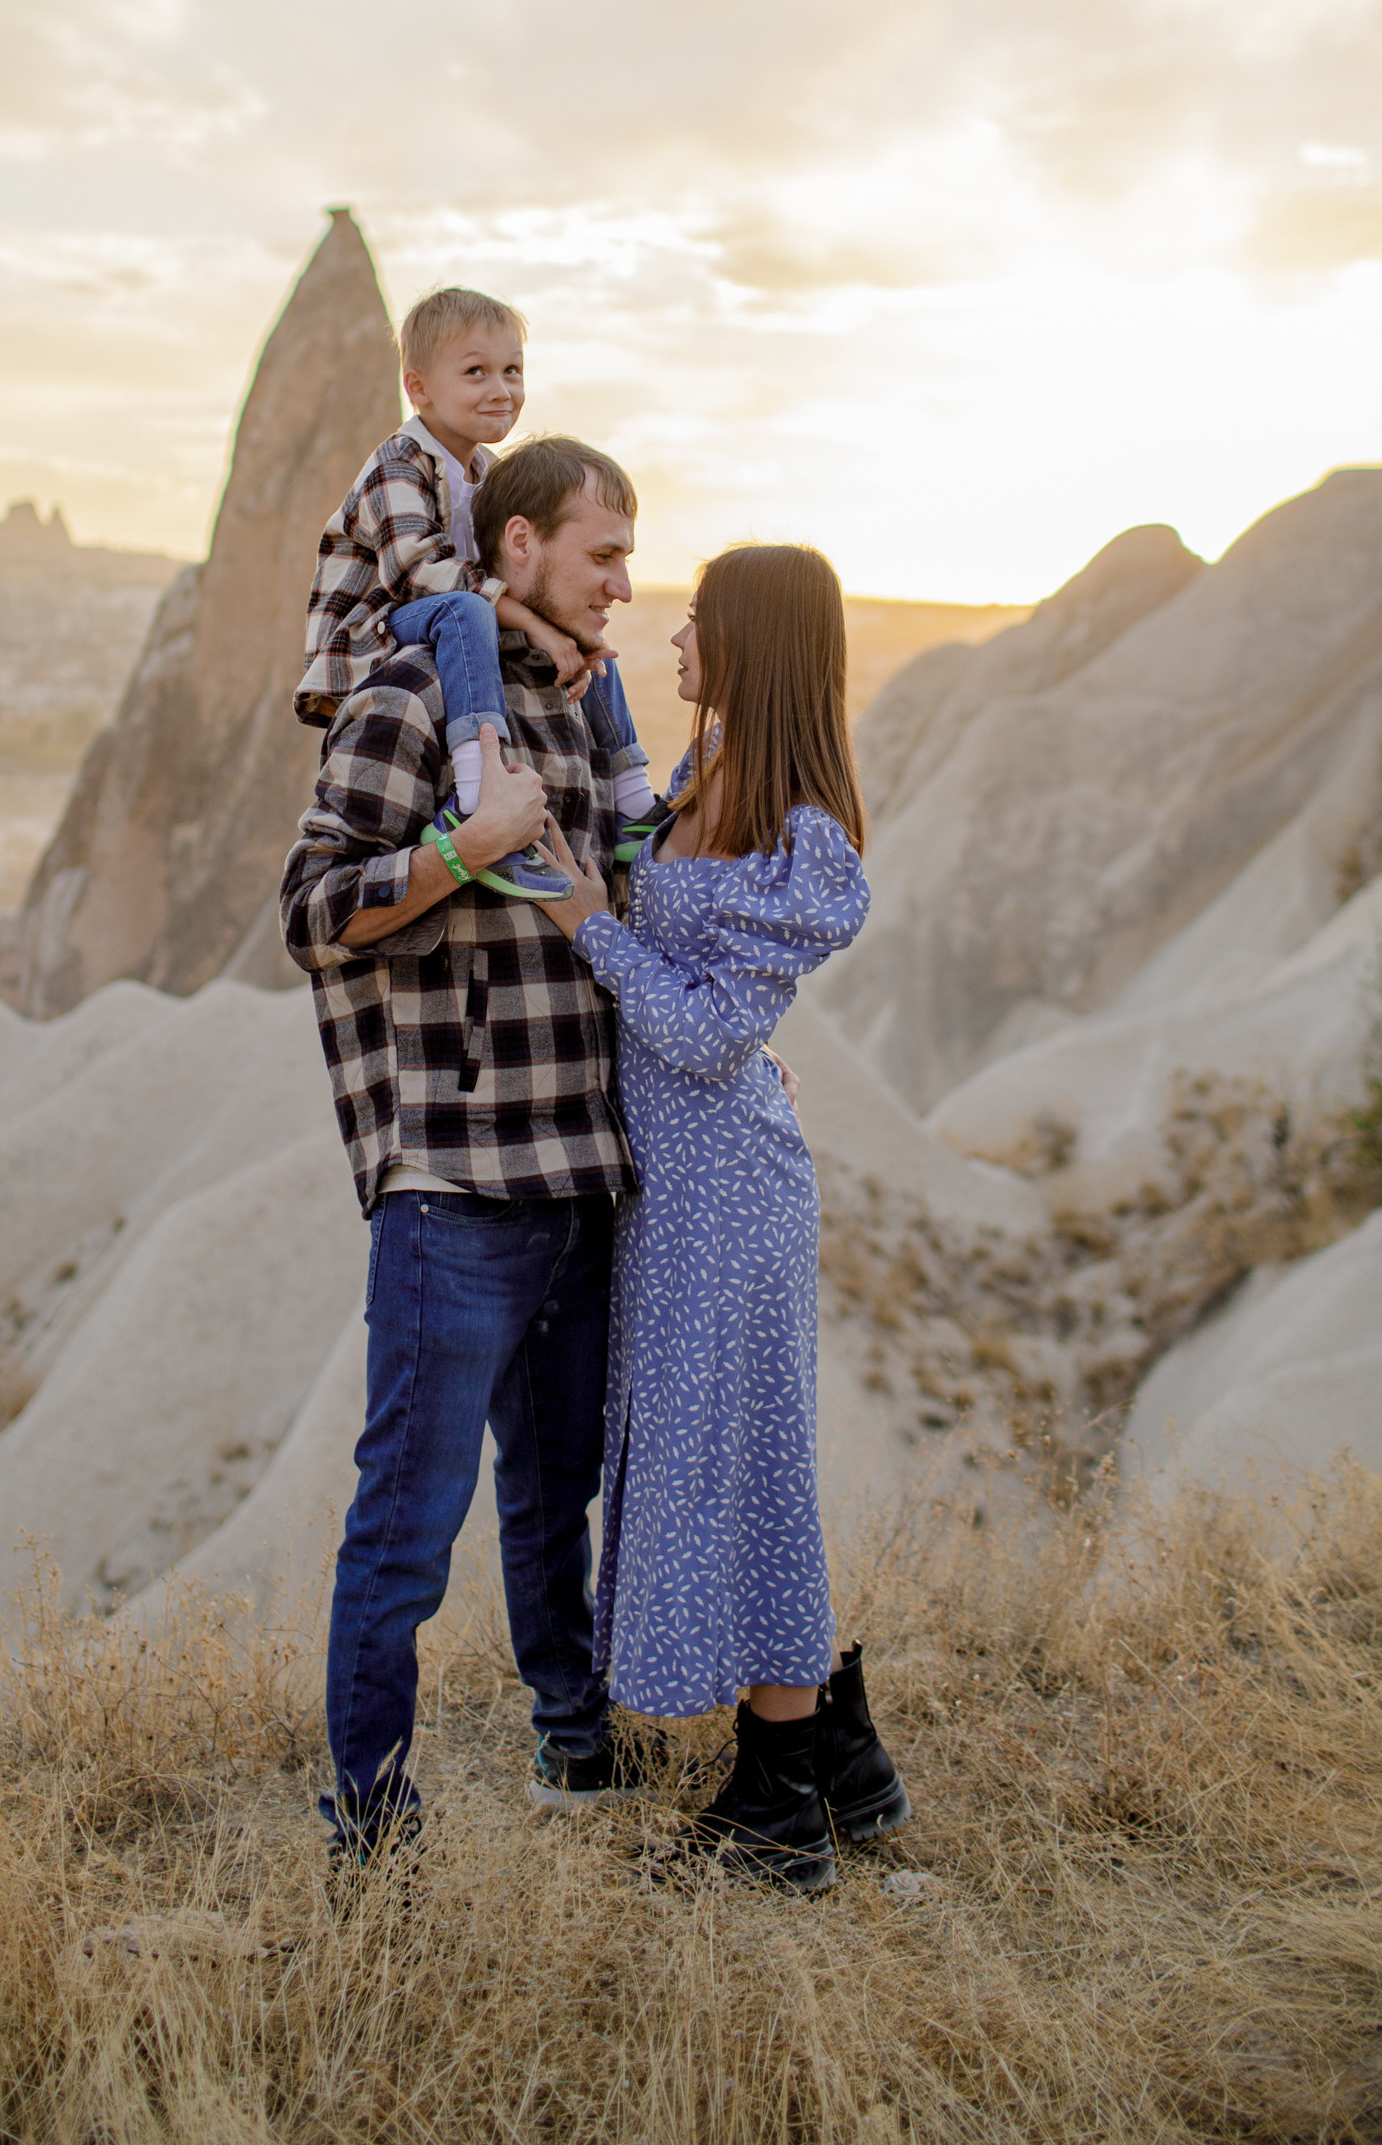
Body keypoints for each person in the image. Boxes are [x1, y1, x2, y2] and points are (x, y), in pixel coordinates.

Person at [280, 434, 653, 1861]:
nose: (622, 584)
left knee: (562, 1506)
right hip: (453, 1191)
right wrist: (457, 846)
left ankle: (579, 1753)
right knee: (408, 1528)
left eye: (627, 556)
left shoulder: (578, 714)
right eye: (600, 554)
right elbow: (312, 914)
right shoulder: (417, 692)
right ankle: (368, 1824)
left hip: (583, 1185)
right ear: (514, 550)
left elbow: (618, 926)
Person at [536, 544, 911, 1890]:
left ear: (749, 644)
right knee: (720, 1456)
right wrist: (570, 670)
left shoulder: (804, 835)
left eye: (696, 622)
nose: (674, 639)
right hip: (678, 1188)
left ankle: (776, 1809)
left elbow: (701, 1033)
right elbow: (711, 1014)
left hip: (726, 1195)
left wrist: (591, 925)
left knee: (740, 1468)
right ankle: (835, 1756)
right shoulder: (708, 782)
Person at [295, 285, 661, 901]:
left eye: (513, 370)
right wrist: (534, 624)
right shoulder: (398, 464)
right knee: (471, 609)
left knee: (588, 636)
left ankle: (635, 805)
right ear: (419, 388)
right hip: (374, 634)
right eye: (476, 373)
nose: (502, 389)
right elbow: (422, 572)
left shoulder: (485, 471)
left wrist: (559, 630)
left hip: (451, 617)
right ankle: (475, 797)